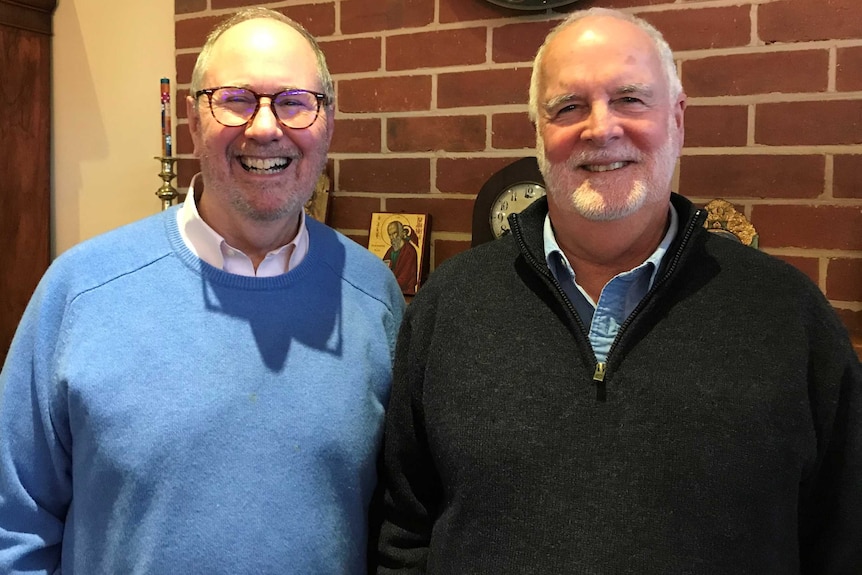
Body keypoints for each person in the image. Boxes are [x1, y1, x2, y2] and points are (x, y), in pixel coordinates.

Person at [375, 7, 861, 574]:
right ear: (537, 130)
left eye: (630, 99)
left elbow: (845, 538)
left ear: (678, 119)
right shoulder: (449, 305)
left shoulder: (789, 315)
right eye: (568, 106)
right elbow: (404, 532)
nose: (600, 128)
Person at [0, 8, 404, 574]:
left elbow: (400, 523)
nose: (266, 128)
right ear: (193, 121)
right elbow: (12, 529)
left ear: (328, 125)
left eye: (294, 101)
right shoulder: (80, 291)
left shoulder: (375, 297)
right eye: (236, 98)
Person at [383, 220, 419, 294]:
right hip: (390, 290)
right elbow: (383, 270)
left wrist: (385, 285)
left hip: (405, 294)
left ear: (400, 232)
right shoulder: (390, 251)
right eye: (390, 234)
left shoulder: (409, 251)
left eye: (394, 233)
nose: (392, 237)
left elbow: (405, 278)